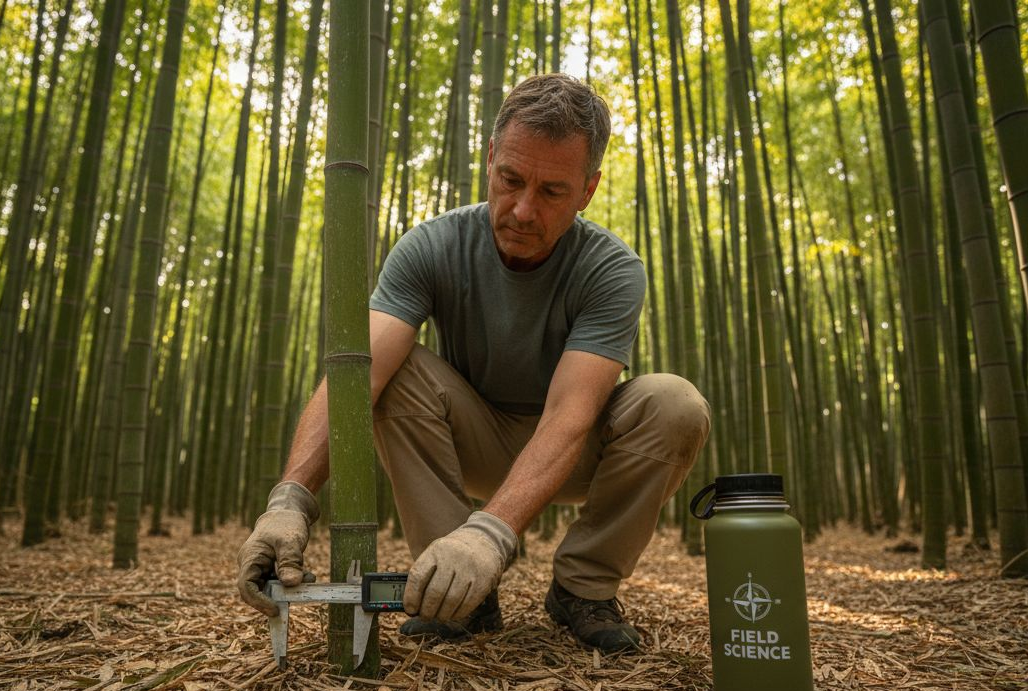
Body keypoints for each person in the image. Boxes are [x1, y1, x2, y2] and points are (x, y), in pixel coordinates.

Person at [236, 73, 710, 653]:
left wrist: (490, 534)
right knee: (391, 366)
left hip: (576, 450)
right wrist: (290, 499)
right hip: (467, 440)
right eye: (510, 179)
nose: (523, 210)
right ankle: (459, 593)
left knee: (674, 403)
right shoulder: (432, 246)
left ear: (588, 190)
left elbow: (569, 415)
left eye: (553, 192)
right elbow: (358, 378)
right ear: (489, 158)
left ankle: (582, 588)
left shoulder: (611, 269)